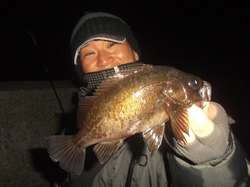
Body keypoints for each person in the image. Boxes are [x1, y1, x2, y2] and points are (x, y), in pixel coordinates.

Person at [62, 11, 250, 186]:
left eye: (111, 44)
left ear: (135, 53)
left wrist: (213, 160)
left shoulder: (173, 111)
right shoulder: (72, 126)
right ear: (81, 69)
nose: (103, 59)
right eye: (89, 53)